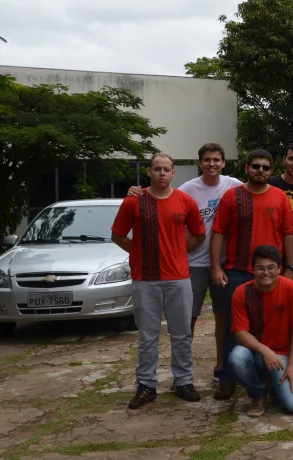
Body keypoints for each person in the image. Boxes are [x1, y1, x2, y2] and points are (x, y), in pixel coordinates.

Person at [127, 142, 243, 389]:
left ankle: (220, 368)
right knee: (186, 322)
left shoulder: (234, 185)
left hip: (224, 263)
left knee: (223, 320)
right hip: (192, 264)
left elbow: (258, 188)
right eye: (207, 160)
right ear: (199, 163)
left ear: (223, 163)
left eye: (216, 160)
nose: (212, 164)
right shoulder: (188, 189)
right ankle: (181, 376)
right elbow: (163, 201)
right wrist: (177, 253)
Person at [111, 153, 206, 409]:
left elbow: (199, 235)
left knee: (182, 334)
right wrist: (138, 252)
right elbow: (117, 235)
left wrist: (178, 251)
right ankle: (146, 385)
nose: (161, 173)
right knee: (148, 336)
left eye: (166, 169)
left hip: (178, 278)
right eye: (157, 169)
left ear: (173, 173)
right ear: (149, 172)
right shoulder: (134, 201)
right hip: (145, 279)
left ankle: (184, 381)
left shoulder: (185, 201)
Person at [211, 149, 293, 400]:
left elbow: (288, 235)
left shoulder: (280, 197)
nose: (260, 170)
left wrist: (290, 268)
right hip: (238, 272)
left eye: (265, 167)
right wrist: (216, 267)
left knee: (273, 325)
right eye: (256, 166)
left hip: (273, 275)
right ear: (246, 168)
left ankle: (268, 376)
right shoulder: (232, 196)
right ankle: (226, 378)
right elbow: (218, 233)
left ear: (271, 171)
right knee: (232, 327)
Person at [228, 245, 293, 416]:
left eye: (271, 267)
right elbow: (240, 333)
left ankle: (273, 384)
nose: (266, 272)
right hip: (255, 352)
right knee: (237, 358)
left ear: (279, 268)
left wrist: (292, 365)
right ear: (252, 270)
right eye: (260, 268)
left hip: (282, 355)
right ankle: (258, 393)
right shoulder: (241, 293)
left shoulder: (291, 289)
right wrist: (265, 350)